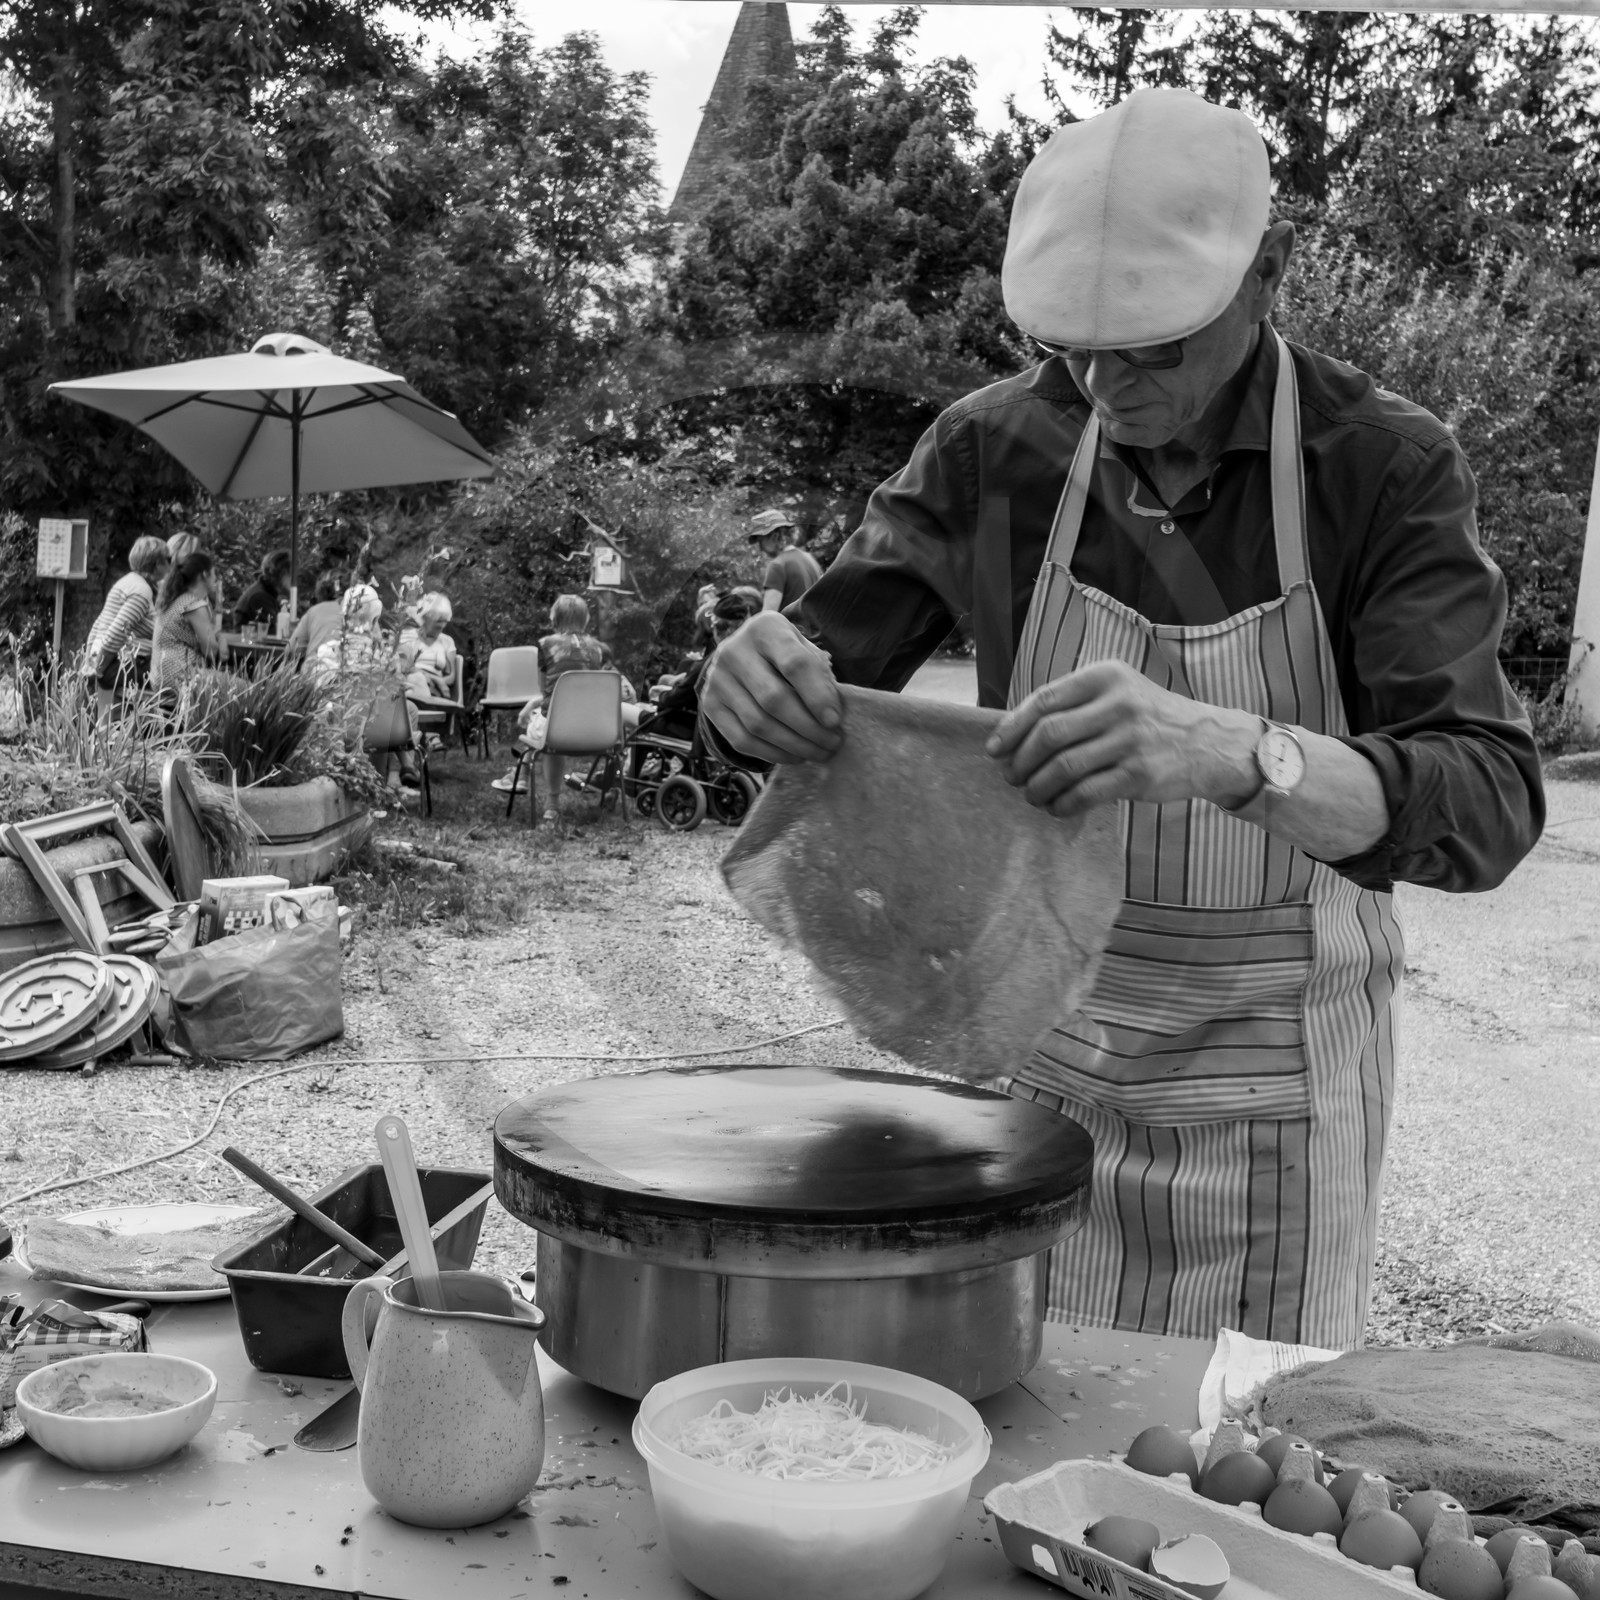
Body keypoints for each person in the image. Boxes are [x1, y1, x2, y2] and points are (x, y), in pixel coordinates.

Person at [702, 88, 1544, 1350]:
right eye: (1077, 347)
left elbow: (1486, 801)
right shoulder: (994, 453)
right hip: (1048, 1052)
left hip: (1280, 1088)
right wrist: (745, 693)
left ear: (1268, 273)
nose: (1108, 384)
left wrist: (1235, 752)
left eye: (1154, 346)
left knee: (1240, 1466)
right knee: (1029, 1414)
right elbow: (809, 690)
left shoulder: (1380, 466)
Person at [491, 594, 629, 817]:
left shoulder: (546, 646)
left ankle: (546, 799)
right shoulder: (600, 649)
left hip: (558, 730)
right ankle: (522, 776)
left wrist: (530, 706)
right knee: (551, 721)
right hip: (597, 731)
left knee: (547, 726)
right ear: (585, 620)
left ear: (554, 618)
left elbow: (545, 689)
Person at [80, 536, 170, 715]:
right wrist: (96, 670)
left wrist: (89, 659)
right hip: (119, 664)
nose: (171, 565)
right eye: (168, 560)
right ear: (156, 563)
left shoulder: (127, 583)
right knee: (175, 680)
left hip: (109, 663)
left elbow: (99, 623)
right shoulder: (140, 591)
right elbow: (116, 633)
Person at [151, 551, 227, 693]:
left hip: (160, 677)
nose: (216, 579)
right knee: (249, 689)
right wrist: (220, 639)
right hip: (184, 678)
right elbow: (211, 651)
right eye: (214, 573)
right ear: (204, 574)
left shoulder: (177, 599)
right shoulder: (195, 605)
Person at [747, 509, 822, 612]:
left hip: (789, 627)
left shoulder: (778, 565)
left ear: (774, 536)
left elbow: (768, 615)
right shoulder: (810, 559)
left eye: (760, 541)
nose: (760, 548)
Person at [397, 592, 459, 701]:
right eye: (438, 621)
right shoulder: (408, 636)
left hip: (436, 690)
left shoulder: (447, 641)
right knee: (415, 679)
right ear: (425, 617)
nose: (442, 625)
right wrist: (434, 678)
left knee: (416, 681)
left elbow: (451, 677)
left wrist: (437, 681)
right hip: (410, 682)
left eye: (445, 621)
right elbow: (404, 668)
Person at [285, 572, 346, 668]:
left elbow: (290, 650)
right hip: (353, 675)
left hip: (315, 673)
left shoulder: (314, 611)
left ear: (319, 592)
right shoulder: (362, 611)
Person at [235, 550, 292, 632]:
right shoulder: (260, 598)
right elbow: (272, 633)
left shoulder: (265, 593)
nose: (294, 580)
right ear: (283, 573)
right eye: (291, 574)